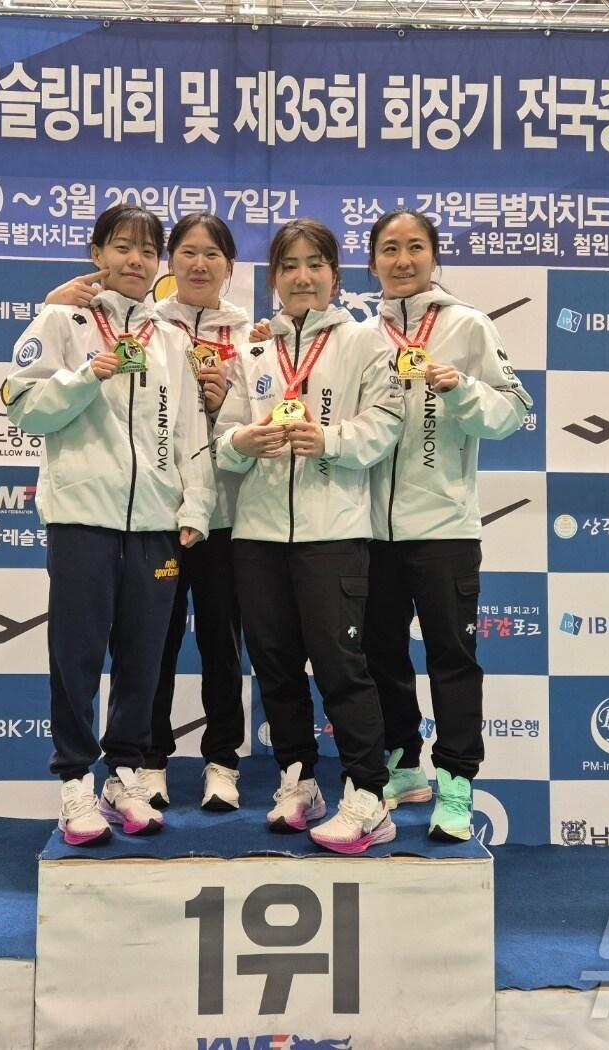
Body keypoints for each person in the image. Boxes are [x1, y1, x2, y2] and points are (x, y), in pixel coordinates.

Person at [5, 203, 215, 846]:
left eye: (148, 251)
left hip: (155, 522)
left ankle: (125, 773)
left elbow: (191, 433)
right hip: (82, 518)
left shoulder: (171, 337)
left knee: (143, 657)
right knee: (75, 654)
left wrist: (195, 507)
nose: (136, 260)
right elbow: (24, 409)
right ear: (97, 254)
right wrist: (83, 377)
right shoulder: (60, 320)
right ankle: (75, 780)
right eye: (123, 246)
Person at [214, 218, 404, 854]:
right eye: (289, 265)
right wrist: (242, 442)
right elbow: (222, 439)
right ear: (274, 277)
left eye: (315, 263)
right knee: (274, 666)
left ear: (335, 275)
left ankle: (368, 796)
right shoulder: (254, 350)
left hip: (334, 532)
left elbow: (385, 425)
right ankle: (297, 779)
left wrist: (331, 440)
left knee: (342, 668)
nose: (302, 276)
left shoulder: (363, 342)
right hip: (258, 535)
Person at [52, 213, 250, 812]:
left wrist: (225, 402)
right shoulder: (141, 325)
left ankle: (221, 761)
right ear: (172, 262)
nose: (199, 264)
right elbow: (38, 393)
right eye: (187, 251)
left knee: (221, 644)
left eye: (212, 254)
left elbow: (259, 413)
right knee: (150, 645)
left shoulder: (252, 335)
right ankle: (145, 762)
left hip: (226, 512)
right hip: (151, 514)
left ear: (229, 265)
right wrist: (57, 309)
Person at [361, 208, 532, 841]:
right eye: (389, 249)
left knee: (452, 659)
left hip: (445, 527)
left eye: (415, 247)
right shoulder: (360, 335)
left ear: (434, 257)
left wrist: (460, 389)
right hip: (369, 529)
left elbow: (513, 412)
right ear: (372, 261)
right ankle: (404, 764)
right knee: (379, 654)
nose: (402, 260)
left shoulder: (468, 325)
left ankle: (457, 782)